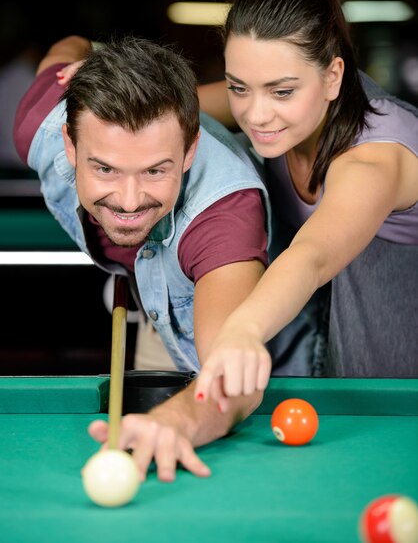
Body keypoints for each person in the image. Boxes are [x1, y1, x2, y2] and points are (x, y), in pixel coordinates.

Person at [14, 34, 272, 482]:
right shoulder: (38, 120)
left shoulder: (223, 219)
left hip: (272, 359)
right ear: (70, 146)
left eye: (155, 170)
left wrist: (175, 422)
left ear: (189, 150)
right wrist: (94, 54)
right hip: (162, 300)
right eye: (105, 169)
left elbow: (233, 374)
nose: (130, 201)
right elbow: (67, 45)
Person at [193, 0, 418, 406]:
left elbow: (312, 256)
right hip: (337, 366)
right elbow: (172, 101)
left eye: (281, 91)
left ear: (333, 76)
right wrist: (102, 74)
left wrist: (242, 330)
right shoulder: (276, 100)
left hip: (404, 386)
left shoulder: (374, 159)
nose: (256, 115)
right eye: (239, 87)